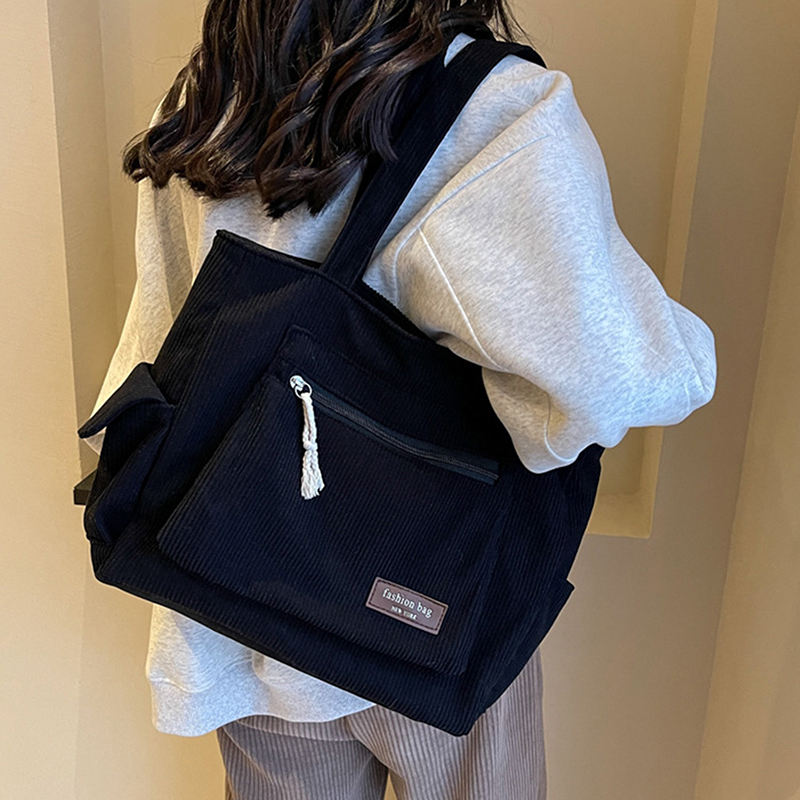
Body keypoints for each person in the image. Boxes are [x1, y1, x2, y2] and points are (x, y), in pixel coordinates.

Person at [83, 1, 717, 798]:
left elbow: (161, 347)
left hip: (234, 603)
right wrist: (678, 360)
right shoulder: (497, 114)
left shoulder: (207, 96)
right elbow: (612, 380)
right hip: (428, 615)